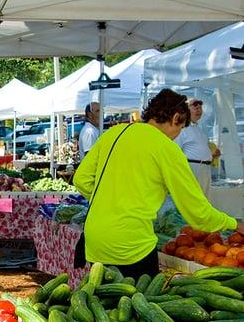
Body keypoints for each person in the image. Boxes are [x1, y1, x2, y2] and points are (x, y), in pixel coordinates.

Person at [73, 89, 243, 278]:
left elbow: (81, 179)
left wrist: (113, 200)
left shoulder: (114, 133)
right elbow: (198, 213)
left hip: (95, 239)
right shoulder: (167, 148)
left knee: (101, 302)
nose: (177, 135)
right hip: (131, 245)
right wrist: (233, 223)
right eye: (180, 128)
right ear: (176, 117)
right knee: (137, 303)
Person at [174, 98, 221, 197]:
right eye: (195, 107)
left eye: (200, 108)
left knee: (204, 199)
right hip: (193, 168)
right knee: (194, 199)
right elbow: (175, 152)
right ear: (185, 110)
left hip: (204, 168)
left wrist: (212, 155)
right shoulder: (182, 129)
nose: (199, 109)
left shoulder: (198, 128)